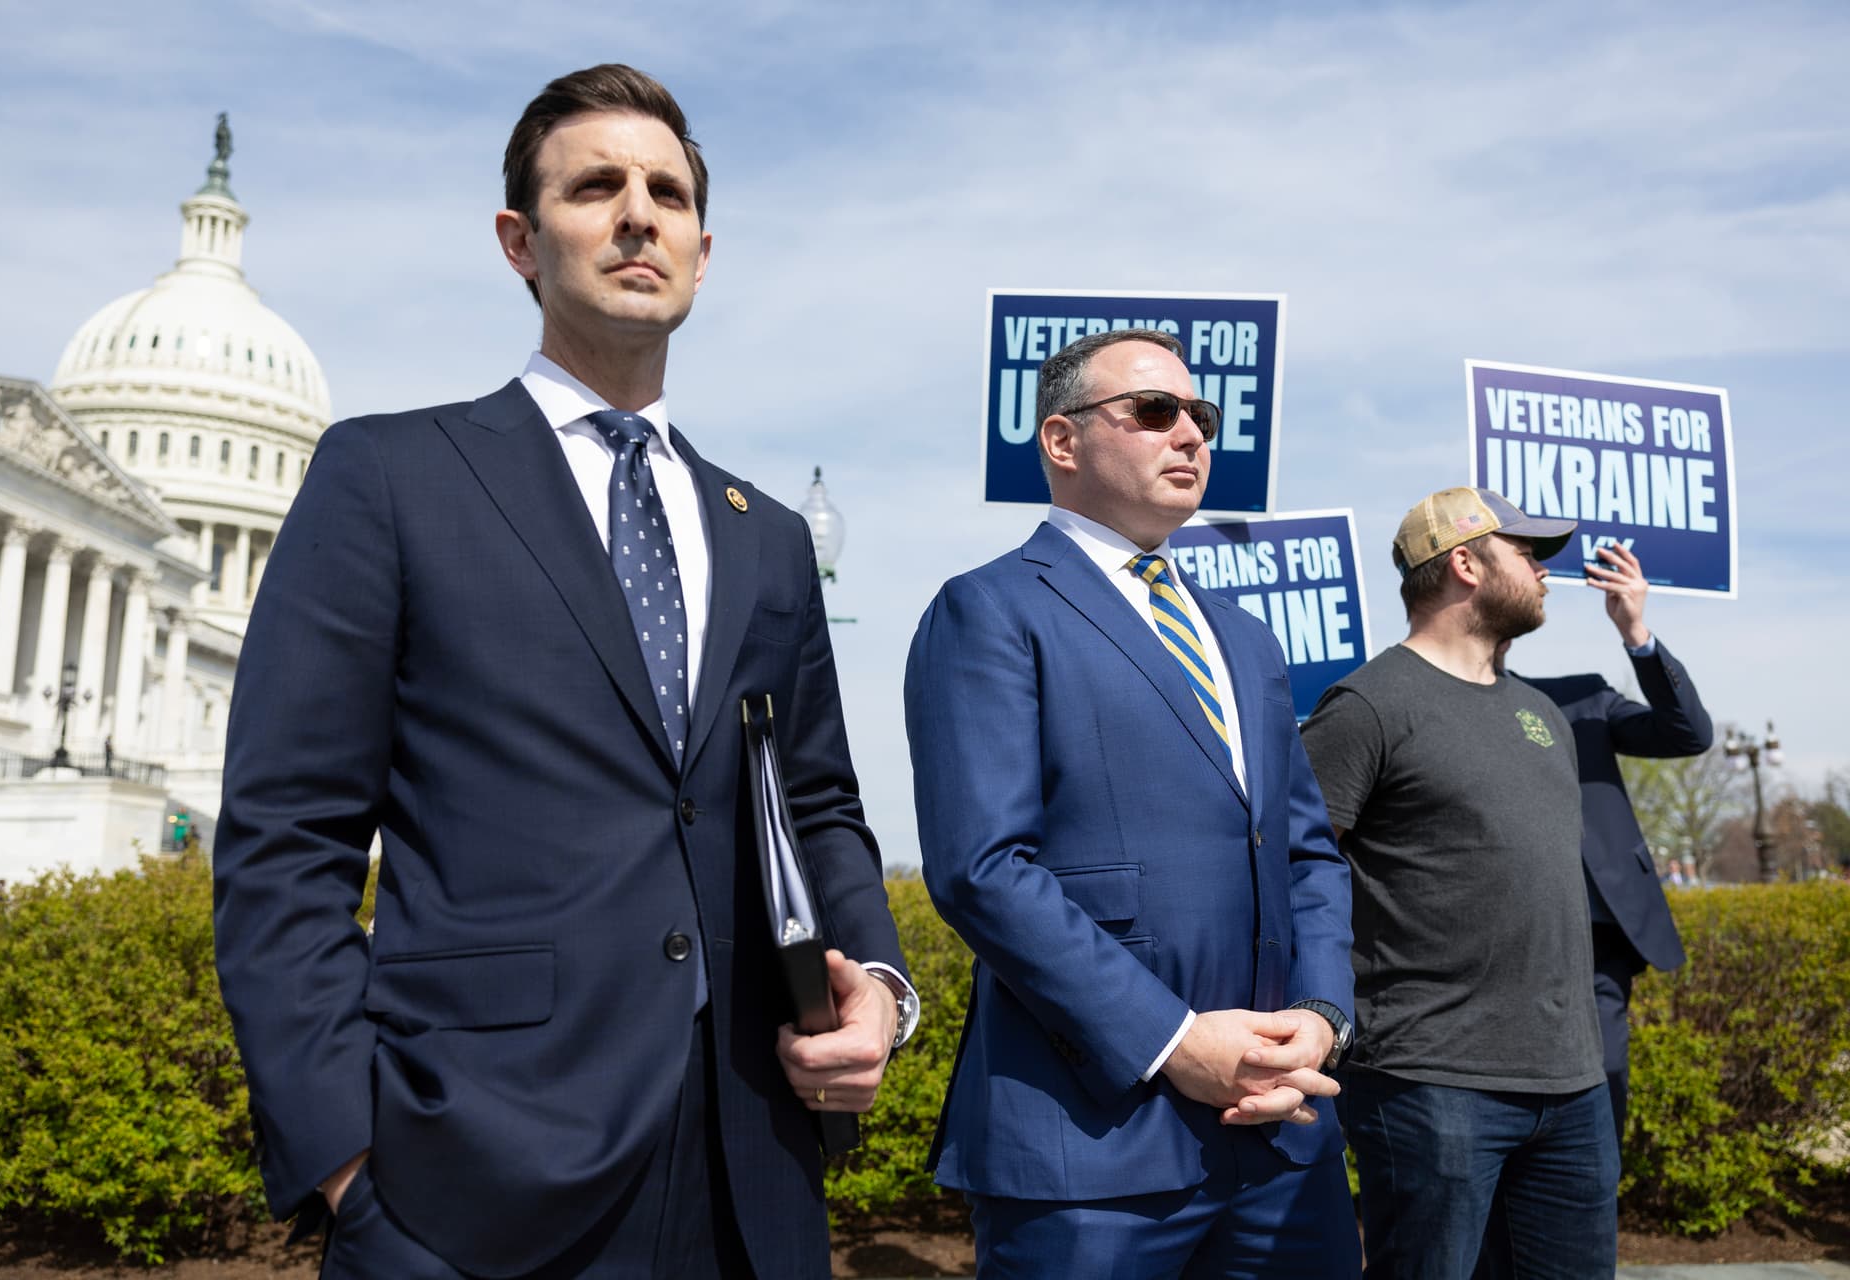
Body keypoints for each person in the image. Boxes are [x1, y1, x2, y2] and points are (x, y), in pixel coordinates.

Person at [212, 65, 917, 1280]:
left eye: (669, 191)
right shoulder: (390, 477)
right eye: (597, 186)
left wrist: (882, 989)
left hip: (752, 1172)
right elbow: (286, 836)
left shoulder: (767, 535)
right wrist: (350, 1165)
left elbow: (815, 802)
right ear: (519, 240)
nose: (639, 213)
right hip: (467, 1180)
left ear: (703, 246)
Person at [905, 329, 1358, 1278]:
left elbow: (1308, 855)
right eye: (1155, 411)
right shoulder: (988, 609)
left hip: (1283, 1136)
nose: (1189, 433)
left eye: (1202, 416)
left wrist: (1319, 1016)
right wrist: (1175, 1041)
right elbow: (982, 870)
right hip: (1089, 1152)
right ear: (1063, 442)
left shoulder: (1245, 639)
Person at [1300, 486, 1617, 1278]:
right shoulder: (1365, 706)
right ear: (1466, 563)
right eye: (1528, 553)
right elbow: (1294, 876)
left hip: (1572, 1087)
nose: (1548, 571)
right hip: (1428, 1085)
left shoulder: (1544, 715)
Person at [1505, 542, 1712, 1145]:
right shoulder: (1432, 704)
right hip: (1505, 942)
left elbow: (1687, 733)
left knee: (1603, 1085)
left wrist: (1636, 632)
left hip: (1600, 940)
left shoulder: (1584, 697)